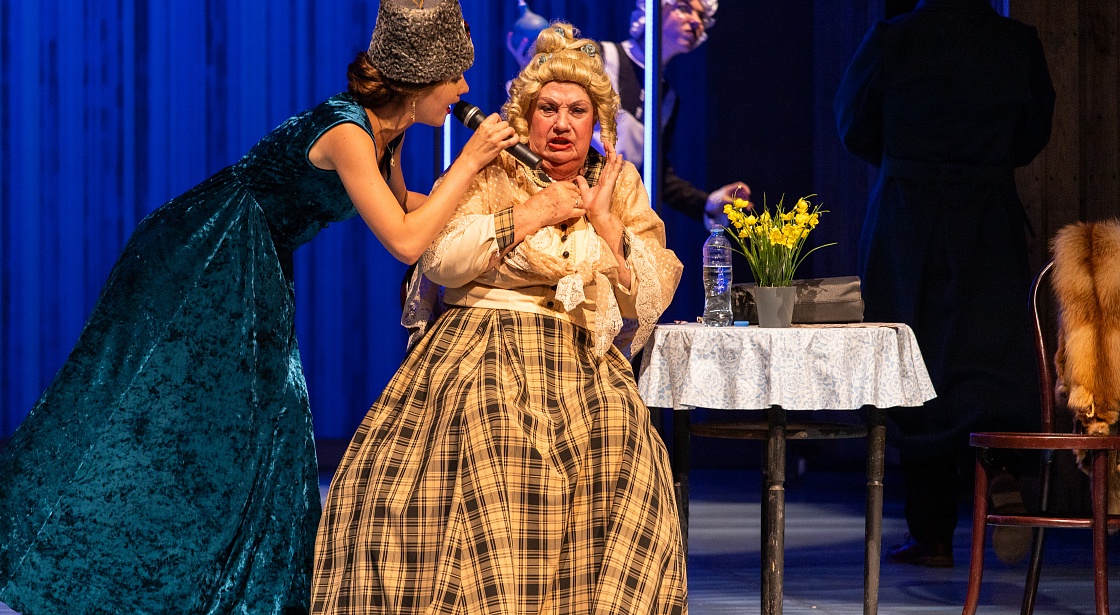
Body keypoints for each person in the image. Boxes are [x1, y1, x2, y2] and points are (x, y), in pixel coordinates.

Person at [0, 1, 519, 614]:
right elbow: (404, 241)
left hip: (254, 261)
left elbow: (407, 206)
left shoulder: (390, 130)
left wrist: (503, 211)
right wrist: (469, 161)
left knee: (261, 420)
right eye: (455, 75)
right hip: (203, 255)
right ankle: (68, 558)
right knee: (151, 414)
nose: (464, 89)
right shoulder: (348, 132)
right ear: (420, 81)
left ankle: (243, 589)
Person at [311, 23, 687, 615]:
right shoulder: (491, 171)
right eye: (547, 110)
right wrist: (533, 212)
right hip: (479, 340)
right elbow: (442, 258)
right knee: (491, 422)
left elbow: (651, 289)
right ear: (525, 117)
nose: (561, 124)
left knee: (621, 431)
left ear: (597, 122)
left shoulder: (619, 185)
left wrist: (607, 227)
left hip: (577, 352)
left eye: (577, 111)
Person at [834, 0, 1055, 567]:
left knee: (916, 363)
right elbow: (1033, 133)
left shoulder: (893, 40)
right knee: (988, 354)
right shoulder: (1016, 42)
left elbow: (853, 125)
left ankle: (931, 533)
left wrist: (908, 156)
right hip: (987, 216)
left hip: (909, 221)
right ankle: (999, 470)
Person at [507, 0, 749, 230]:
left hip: (614, 210)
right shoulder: (599, 59)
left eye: (702, 16)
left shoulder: (667, 98)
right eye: (685, 8)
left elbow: (657, 174)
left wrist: (707, 202)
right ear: (653, 9)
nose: (696, 21)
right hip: (558, 197)